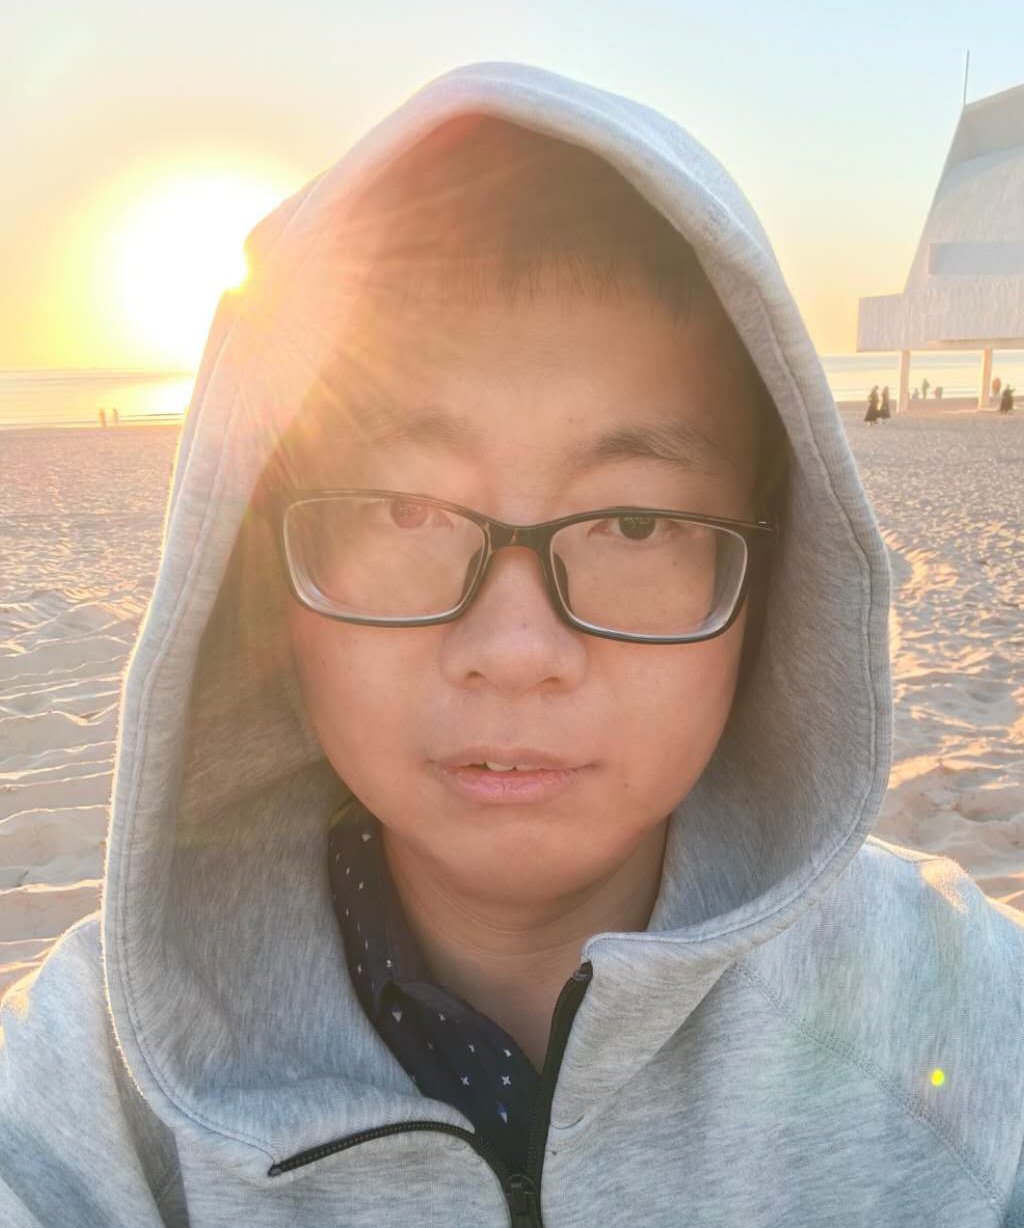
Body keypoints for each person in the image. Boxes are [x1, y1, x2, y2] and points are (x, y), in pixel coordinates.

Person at [4, 62, 1024, 1228]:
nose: (516, 647)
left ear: (773, 581)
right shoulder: (98, 1088)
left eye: (632, 522)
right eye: (407, 511)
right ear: (258, 577)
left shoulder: (960, 1014)